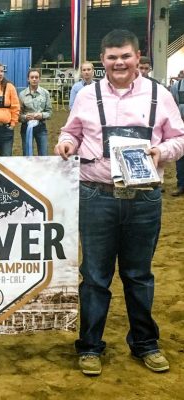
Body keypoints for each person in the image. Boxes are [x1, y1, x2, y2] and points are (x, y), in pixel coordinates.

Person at [54, 29, 184, 376]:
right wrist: (66, 143)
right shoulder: (86, 95)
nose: (119, 63)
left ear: (138, 57)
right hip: (97, 195)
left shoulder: (159, 94)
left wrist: (161, 151)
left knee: (138, 275)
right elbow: (72, 132)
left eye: (125, 56)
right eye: (112, 57)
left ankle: (145, 343)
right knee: (95, 276)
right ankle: (90, 347)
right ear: (103, 61)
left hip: (144, 198)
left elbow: (179, 138)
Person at [18, 69, 52, 156]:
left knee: (44, 154)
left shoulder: (45, 93)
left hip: (41, 127)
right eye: (32, 77)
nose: (34, 79)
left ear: (39, 79)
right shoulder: (22, 94)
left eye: (36, 77)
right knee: (27, 154)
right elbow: (18, 115)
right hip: (26, 127)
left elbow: (50, 112)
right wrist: (25, 117)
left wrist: (42, 115)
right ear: (28, 79)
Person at [170, 73, 184, 196]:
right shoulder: (176, 86)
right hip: (181, 126)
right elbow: (173, 105)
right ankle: (181, 186)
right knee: (180, 157)